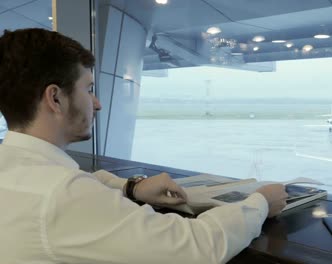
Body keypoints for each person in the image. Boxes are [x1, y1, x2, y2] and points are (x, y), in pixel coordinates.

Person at [0, 28, 288, 264]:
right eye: (88, 89)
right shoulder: (61, 195)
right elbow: (197, 247)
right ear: (55, 99)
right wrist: (261, 202)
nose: (97, 103)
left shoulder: (18, 168)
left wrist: (132, 188)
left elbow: (84, 186)